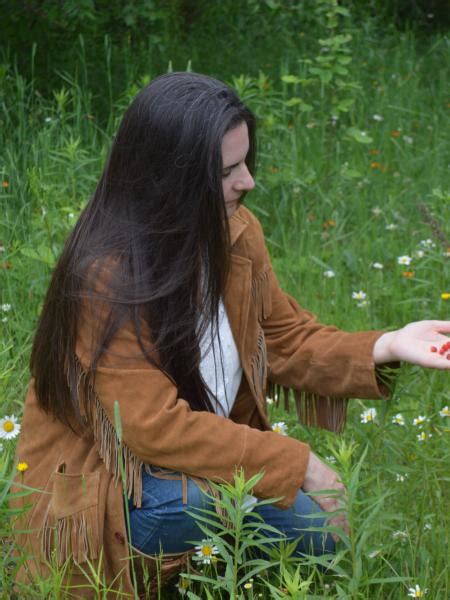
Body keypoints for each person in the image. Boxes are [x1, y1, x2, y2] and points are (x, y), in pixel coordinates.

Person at [12, 72, 450, 597]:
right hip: (116, 487)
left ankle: (212, 571)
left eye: (246, 161)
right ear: (169, 181)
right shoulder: (105, 276)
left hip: (184, 467)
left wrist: (386, 344)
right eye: (227, 171)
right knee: (308, 527)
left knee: (302, 527)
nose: (248, 182)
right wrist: (302, 463)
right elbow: (152, 428)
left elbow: (283, 339)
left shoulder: (237, 231)